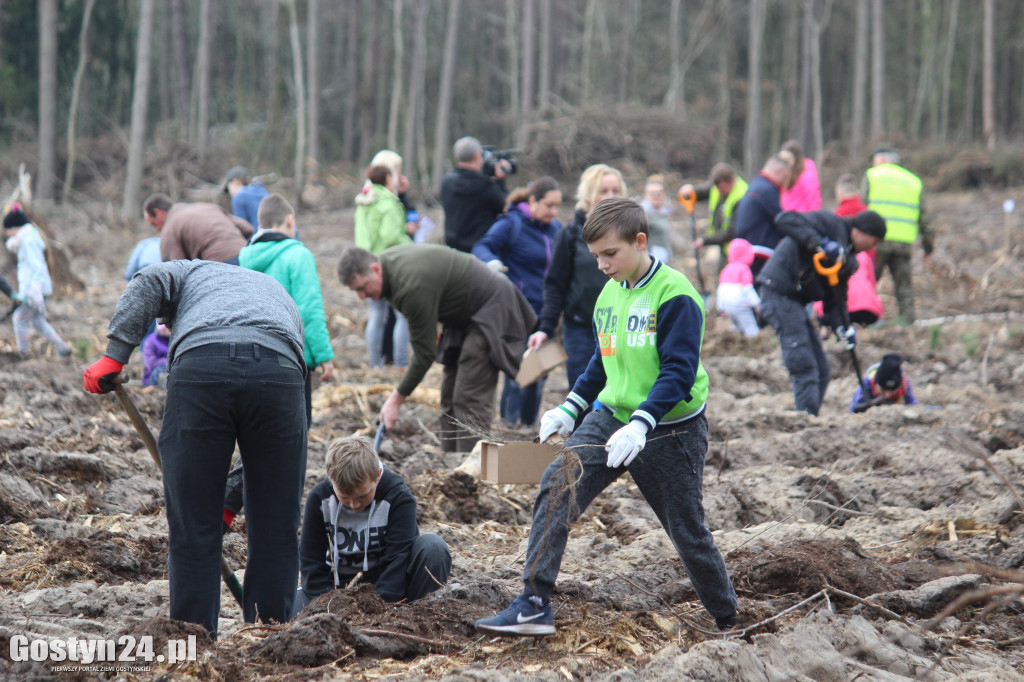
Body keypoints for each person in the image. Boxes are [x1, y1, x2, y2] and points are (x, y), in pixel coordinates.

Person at [475, 197, 737, 637]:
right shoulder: (609, 295)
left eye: (609, 254)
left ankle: (727, 617)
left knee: (687, 531)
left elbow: (678, 371)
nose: (601, 264)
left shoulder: (675, 295)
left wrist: (642, 423)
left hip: (670, 429)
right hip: (612, 417)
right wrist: (570, 407)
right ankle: (534, 603)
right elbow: (601, 362)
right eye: (595, 255)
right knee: (558, 482)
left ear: (640, 241)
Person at [82, 260, 307, 638]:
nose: (166, 330)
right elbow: (270, 444)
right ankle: (271, 639)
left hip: (203, 369)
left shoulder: (186, 271)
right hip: (280, 374)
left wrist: (114, 355)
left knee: (193, 527)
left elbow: (149, 280)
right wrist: (230, 499)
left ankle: (193, 645)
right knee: (277, 524)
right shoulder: (274, 291)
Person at [338, 244, 536, 452]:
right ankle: (450, 462)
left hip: (490, 305)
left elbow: (424, 354)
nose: (362, 296)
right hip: (461, 316)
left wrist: (396, 399)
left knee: (468, 396)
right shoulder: (387, 267)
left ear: (375, 269)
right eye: (355, 291)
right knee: (449, 395)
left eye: (362, 287)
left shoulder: (409, 286)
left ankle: (471, 470)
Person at [221, 194, 336, 529]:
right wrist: (323, 356)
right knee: (290, 436)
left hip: (242, 358)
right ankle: (237, 503)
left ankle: (232, 503)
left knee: (254, 435)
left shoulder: (242, 258)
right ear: (289, 221)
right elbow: (309, 308)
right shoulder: (297, 255)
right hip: (287, 361)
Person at [296, 435, 451, 615]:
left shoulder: (399, 498)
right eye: (345, 498)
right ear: (331, 480)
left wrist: (380, 608)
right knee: (283, 611)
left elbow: (398, 558)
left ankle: (420, 616)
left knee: (434, 547)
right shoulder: (318, 499)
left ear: (377, 476)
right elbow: (310, 562)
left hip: (392, 592)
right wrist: (329, 605)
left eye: (363, 496)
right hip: (335, 594)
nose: (354, 505)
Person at [756, 210, 887, 416]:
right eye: (874, 240)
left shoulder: (848, 259)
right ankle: (805, 420)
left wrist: (842, 327)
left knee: (822, 370)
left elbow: (835, 299)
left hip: (796, 302)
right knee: (805, 366)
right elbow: (784, 219)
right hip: (778, 292)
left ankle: (810, 417)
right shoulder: (830, 224)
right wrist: (820, 242)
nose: (874, 247)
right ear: (862, 232)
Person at [529, 164, 627, 393]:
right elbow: (555, 284)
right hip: (581, 328)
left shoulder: (629, 234)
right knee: (582, 393)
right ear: (589, 195)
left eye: (615, 191)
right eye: (603, 191)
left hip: (621, 329)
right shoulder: (571, 234)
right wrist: (546, 327)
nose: (610, 197)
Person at [473, 177, 562, 426]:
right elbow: (482, 246)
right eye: (549, 206)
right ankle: (509, 427)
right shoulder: (512, 223)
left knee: (540, 372)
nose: (554, 212)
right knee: (519, 373)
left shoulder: (556, 229)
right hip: (518, 310)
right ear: (532, 201)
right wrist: (492, 263)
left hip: (547, 312)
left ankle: (529, 426)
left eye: (557, 206)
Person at [864, 146, 933, 325]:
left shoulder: (872, 176)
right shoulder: (913, 181)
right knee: (904, 287)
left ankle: (866, 319)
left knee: (869, 282)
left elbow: (861, 209)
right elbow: (924, 218)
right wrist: (928, 247)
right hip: (903, 242)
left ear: (882, 160)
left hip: (875, 242)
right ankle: (907, 320)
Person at [355, 165, 413, 368]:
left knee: (377, 315)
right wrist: (409, 242)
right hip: (389, 264)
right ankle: (401, 364)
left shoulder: (363, 202)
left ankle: (374, 364)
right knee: (402, 314)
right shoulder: (389, 202)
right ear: (388, 178)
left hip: (366, 263)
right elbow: (390, 236)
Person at [814, 174, 883, 327]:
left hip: (843, 262)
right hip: (867, 262)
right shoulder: (867, 212)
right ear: (857, 193)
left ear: (840, 193)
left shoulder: (837, 215)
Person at [3, 203, 71, 358]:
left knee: (19, 319)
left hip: (33, 289)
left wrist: (34, 289)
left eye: (7, 229)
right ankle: (62, 346)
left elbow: (36, 266)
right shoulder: (29, 237)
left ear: (14, 227)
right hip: (39, 287)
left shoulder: (27, 241)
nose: (6, 233)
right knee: (37, 321)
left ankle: (23, 353)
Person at [440, 136, 510, 253]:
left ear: (457, 156)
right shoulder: (484, 186)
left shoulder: (447, 182)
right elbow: (506, 207)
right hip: (479, 252)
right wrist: (500, 181)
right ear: (477, 155)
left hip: (453, 252)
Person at [143, 193, 254, 264]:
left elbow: (173, 268)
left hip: (220, 264)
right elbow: (247, 228)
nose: (157, 229)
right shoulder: (207, 206)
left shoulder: (169, 228)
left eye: (154, 224)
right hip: (248, 257)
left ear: (158, 213)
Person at [734, 155, 792, 280]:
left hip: (748, 246)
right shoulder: (768, 189)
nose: (784, 182)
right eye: (785, 177)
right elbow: (781, 219)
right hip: (760, 250)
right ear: (777, 170)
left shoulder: (756, 184)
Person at [683, 163, 749, 272]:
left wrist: (705, 240)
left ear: (732, 180)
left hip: (737, 250)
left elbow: (731, 231)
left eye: (722, 188)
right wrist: (691, 191)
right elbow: (704, 191)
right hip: (724, 247)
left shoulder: (742, 196)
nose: (719, 191)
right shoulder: (717, 187)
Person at [715, 238, 761, 337]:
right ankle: (754, 339)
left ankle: (735, 337)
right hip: (740, 304)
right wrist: (757, 304)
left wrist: (721, 308)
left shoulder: (726, 269)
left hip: (727, 304)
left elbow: (721, 289)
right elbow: (748, 289)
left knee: (736, 324)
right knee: (750, 325)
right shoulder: (744, 269)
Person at [370, 149, 421, 238]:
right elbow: (388, 233)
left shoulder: (392, 197)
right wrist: (405, 229)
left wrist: (402, 194)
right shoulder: (379, 199)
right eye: (397, 172)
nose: (399, 177)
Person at [850, 353, 918, 412]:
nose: (887, 395)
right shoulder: (866, 386)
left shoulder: (904, 385)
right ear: (876, 384)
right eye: (883, 389)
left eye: (893, 390)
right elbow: (853, 411)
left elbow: (912, 406)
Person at [779, 140, 822, 212]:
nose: (784, 162)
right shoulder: (786, 172)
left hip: (803, 218)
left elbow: (813, 199)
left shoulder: (806, 173)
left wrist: (813, 219)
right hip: (787, 216)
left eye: (787, 159)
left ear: (795, 158)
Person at [640, 174, 674, 263]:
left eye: (659, 193)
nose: (656, 196)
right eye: (652, 193)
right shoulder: (643, 214)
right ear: (646, 195)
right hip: (651, 262)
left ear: (664, 195)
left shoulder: (664, 213)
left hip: (664, 261)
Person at [141, 323, 170, 388]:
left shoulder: (174, 340)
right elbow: (151, 363)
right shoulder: (151, 340)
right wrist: (168, 362)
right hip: (153, 376)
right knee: (161, 370)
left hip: (172, 369)